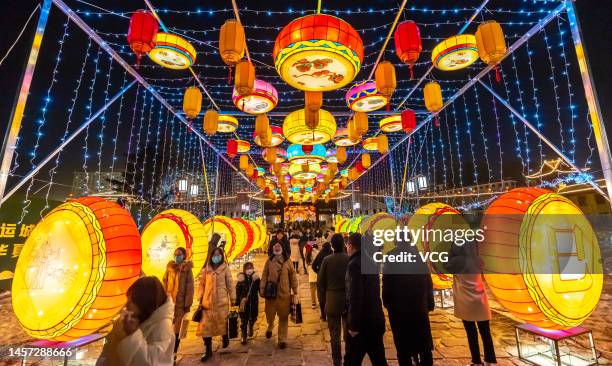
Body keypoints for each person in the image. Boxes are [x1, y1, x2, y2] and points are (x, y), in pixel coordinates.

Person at [96, 276, 174, 366]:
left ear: (144, 302)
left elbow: (149, 362)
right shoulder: (126, 320)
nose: (127, 304)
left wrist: (132, 335)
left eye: (132, 300)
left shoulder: (163, 326)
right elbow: (108, 350)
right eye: (128, 298)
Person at [383, 243, 435, 366]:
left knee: (403, 348)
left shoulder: (391, 258)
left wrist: (387, 303)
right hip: (419, 308)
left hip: (398, 311)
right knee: (424, 346)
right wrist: (429, 303)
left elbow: (387, 284)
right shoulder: (419, 258)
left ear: (396, 242)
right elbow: (428, 282)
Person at [446, 241, 497, 366]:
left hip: (466, 302)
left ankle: (476, 360)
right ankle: (490, 360)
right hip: (480, 300)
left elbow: (446, 264)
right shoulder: (478, 260)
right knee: (485, 332)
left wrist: (450, 252)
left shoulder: (456, 262)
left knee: (471, 332)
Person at [344, 232, 388, 366]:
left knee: (351, 361)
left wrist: (353, 325)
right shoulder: (370, 261)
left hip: (363, 324)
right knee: (379, 360)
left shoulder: (354, 265)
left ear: (350, 246)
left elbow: (356, 296)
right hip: (375, 319)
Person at [196, 247, 236, 362]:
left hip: (221, 302)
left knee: (222, 323)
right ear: (211, 256)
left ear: (221, 256)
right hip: (207, 303)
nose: (216, 256)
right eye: (214, 254)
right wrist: (200, 297)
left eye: (218, 254)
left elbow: (230, 283)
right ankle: (208, 350)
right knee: (205, 327)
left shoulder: (225, 268)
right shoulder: (206, 269)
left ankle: (225, 336)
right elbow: (202, 284)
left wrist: (233, 298)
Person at [317, 233, 350, 366]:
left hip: (332, 299)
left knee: (334, 333)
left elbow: (320, 283)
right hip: (347, 299)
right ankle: (349, 357)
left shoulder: (327, 260)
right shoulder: (349, 259)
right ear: (343, 244)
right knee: (348, 331)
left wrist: (324, 299)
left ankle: (337, 360)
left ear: (332, 245)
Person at [260, 241, 299, 349]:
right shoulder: (269, 261)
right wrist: (262, 289)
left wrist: (295, 290)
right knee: (269, 314)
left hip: (284, 294)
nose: (277, 248)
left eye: (279, 246)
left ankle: (282, 339)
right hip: (271, 294)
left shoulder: (287, 261)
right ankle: (270, 325)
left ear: (282, 248)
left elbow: (293, 276)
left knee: (283, 316)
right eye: (275, 246)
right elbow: (264, 276)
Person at [161, 247, 194, 361]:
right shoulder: (170, 268)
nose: (177, 256)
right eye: (175, 254)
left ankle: (173, 354)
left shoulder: (187, 269)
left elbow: (190, 288)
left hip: (181, 306)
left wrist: (187, 304)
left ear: (184, 256)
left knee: (177, 331)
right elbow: (164, 283)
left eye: (179, 254)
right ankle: (166, 352)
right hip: (169, 304)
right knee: (167, 330)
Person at [235, 261, 260, 345]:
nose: (249, 270)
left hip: (254, 302)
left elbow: (260, 289)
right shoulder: (241, 279)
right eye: (247, 268)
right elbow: (237, 291)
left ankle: (251, 326)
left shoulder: (256, 279)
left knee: (253, 317)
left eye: (251, 268)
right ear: (244, 269)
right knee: (243, 320)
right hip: (244, 303)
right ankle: (244, 334)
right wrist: (238, 301)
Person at [304, 240, 320, 308]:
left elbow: (306, 265)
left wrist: (308, 271)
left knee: (312, 290)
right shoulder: (318, 253)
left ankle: (313, 303)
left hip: (311, 272)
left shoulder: (308, 253)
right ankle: (320, 301)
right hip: (318, 271)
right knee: (319, 288)